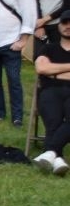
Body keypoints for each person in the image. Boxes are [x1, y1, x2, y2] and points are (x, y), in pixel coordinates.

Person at [30, 10, 70, 177]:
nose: (68, 26)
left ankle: (50, 153)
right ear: (59, 26)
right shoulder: (49, 48)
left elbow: (48, 69)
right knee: (53, 120)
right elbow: (41, 68)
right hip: (50, 91)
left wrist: (54, 72)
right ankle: (58, 158)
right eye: (65, 22)